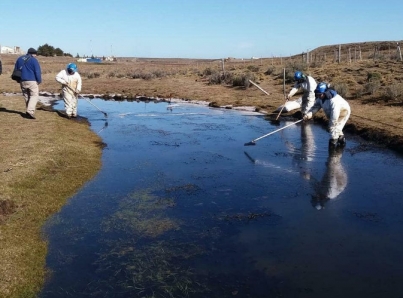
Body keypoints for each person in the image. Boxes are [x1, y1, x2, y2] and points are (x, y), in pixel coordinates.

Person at [303, 82, 351, 148]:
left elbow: (335, 114)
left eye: (320, 94)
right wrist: (308, 114)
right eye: (318, 94)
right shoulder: (320, 98)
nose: (319, 96)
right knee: (337, 130)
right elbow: (315, 107)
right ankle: (341, 142)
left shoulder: (333, 101)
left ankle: (333, 153)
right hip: (334, 114)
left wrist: (331, 125)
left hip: (343, 113)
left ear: (325, 92)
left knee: (333, 133)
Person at [13, 48, 42, 119]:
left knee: (26, 96)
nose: (36, 56)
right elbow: (37, 71)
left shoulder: (19, 59)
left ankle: (28, 111)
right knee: (34, 95)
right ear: (33, 54)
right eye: (36, 54)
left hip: (22, 80)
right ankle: (30, 111)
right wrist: (39, 80)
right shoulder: (34, 60)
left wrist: (18, 80)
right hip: (32, 80)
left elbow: (16, 70)